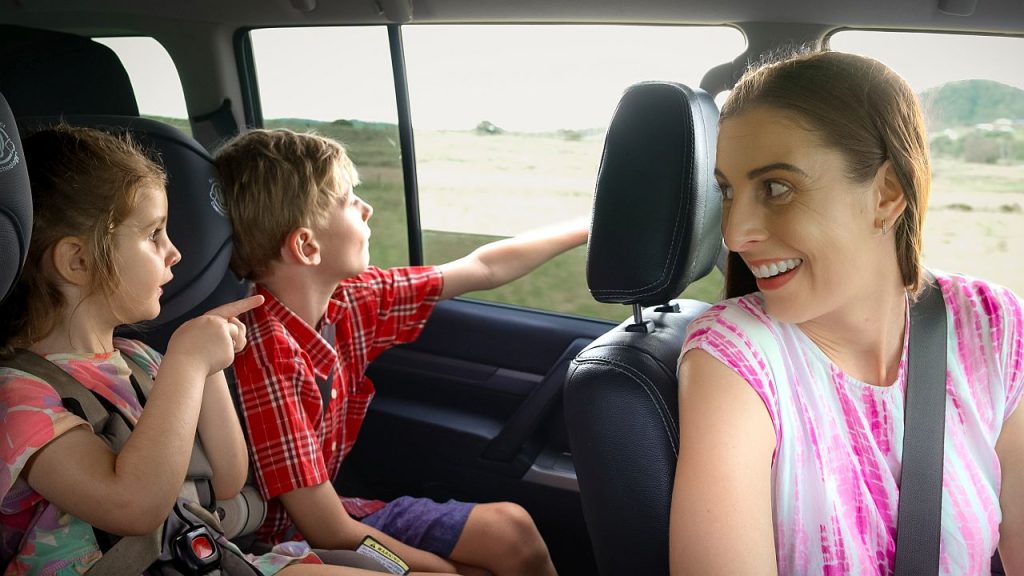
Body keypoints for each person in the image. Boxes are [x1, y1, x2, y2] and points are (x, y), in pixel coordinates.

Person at [0, 125, 449, 576]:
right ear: (77, 260)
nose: (174, 252)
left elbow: (227, 479)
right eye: (154, 234)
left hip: (204, 559)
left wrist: (209, 370)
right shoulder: (21, 397)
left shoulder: (137, 359)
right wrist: (188, 363)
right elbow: (132, 506)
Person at [669, 50, 1024, 575]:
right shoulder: (735, 356)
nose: (735, 232)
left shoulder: (990, 327)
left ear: (886, 194)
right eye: (727, 192)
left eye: (776, 188)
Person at [215, 128, 586, 575]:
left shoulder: (349, 300)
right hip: (284, 543)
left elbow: (482, 267)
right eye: (349, 200)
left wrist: (588, 227)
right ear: (306, 246)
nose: (366, 208)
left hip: (341, 516)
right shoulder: (268, 354)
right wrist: (430, 567)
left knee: (511, 529)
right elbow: (326, 531)